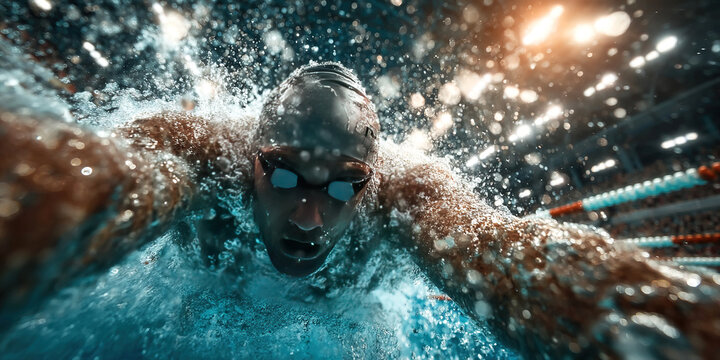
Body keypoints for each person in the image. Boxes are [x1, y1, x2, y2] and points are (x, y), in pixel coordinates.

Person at [1, 62, 719, 358]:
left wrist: (672, 321)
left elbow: (498, 252)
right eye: (284, 179)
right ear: (250, 158)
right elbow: (104, 184)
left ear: (372, 181)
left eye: (343, 188)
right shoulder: (201, 151)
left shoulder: (409, 191)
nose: (311, 219)